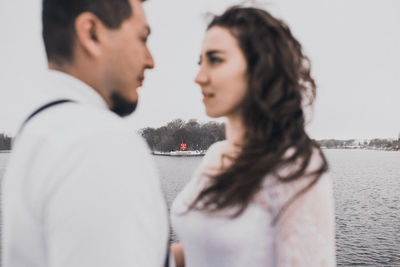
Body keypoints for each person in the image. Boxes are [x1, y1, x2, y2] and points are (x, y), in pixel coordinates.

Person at [1, 0, 168, 266]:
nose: (151, 61)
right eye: (142, 38)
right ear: (91, 33)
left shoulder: (37, 133)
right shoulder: (99, 142)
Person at [170, 6, 336, 267]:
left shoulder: (295, 166)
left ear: (260, 67)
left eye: (215, 59)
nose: (199, 77)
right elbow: (204, 251)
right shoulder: (216, 153)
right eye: (200, 62)